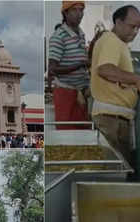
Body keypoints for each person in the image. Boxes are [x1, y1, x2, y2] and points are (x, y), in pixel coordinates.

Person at [90, 5, 140, 165]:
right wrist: (137, 80)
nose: (135, 31)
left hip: (115, 119)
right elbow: (105, 69)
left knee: (118, 169)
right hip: (111, 121)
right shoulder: (111, 41)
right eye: (132, 26)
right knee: (114, 172)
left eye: (138, 28)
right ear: (118, 22)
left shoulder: (116, 43)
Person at [48, 0, 90, 130]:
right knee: (66, 132)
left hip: (81, 92)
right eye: (74, 10)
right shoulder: (58, 36)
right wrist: (80, 65)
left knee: (83, 131)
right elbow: (53, 69)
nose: (79, 14)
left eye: (81, 10)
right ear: (65, 13)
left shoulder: (81, 34)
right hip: (65, 92)